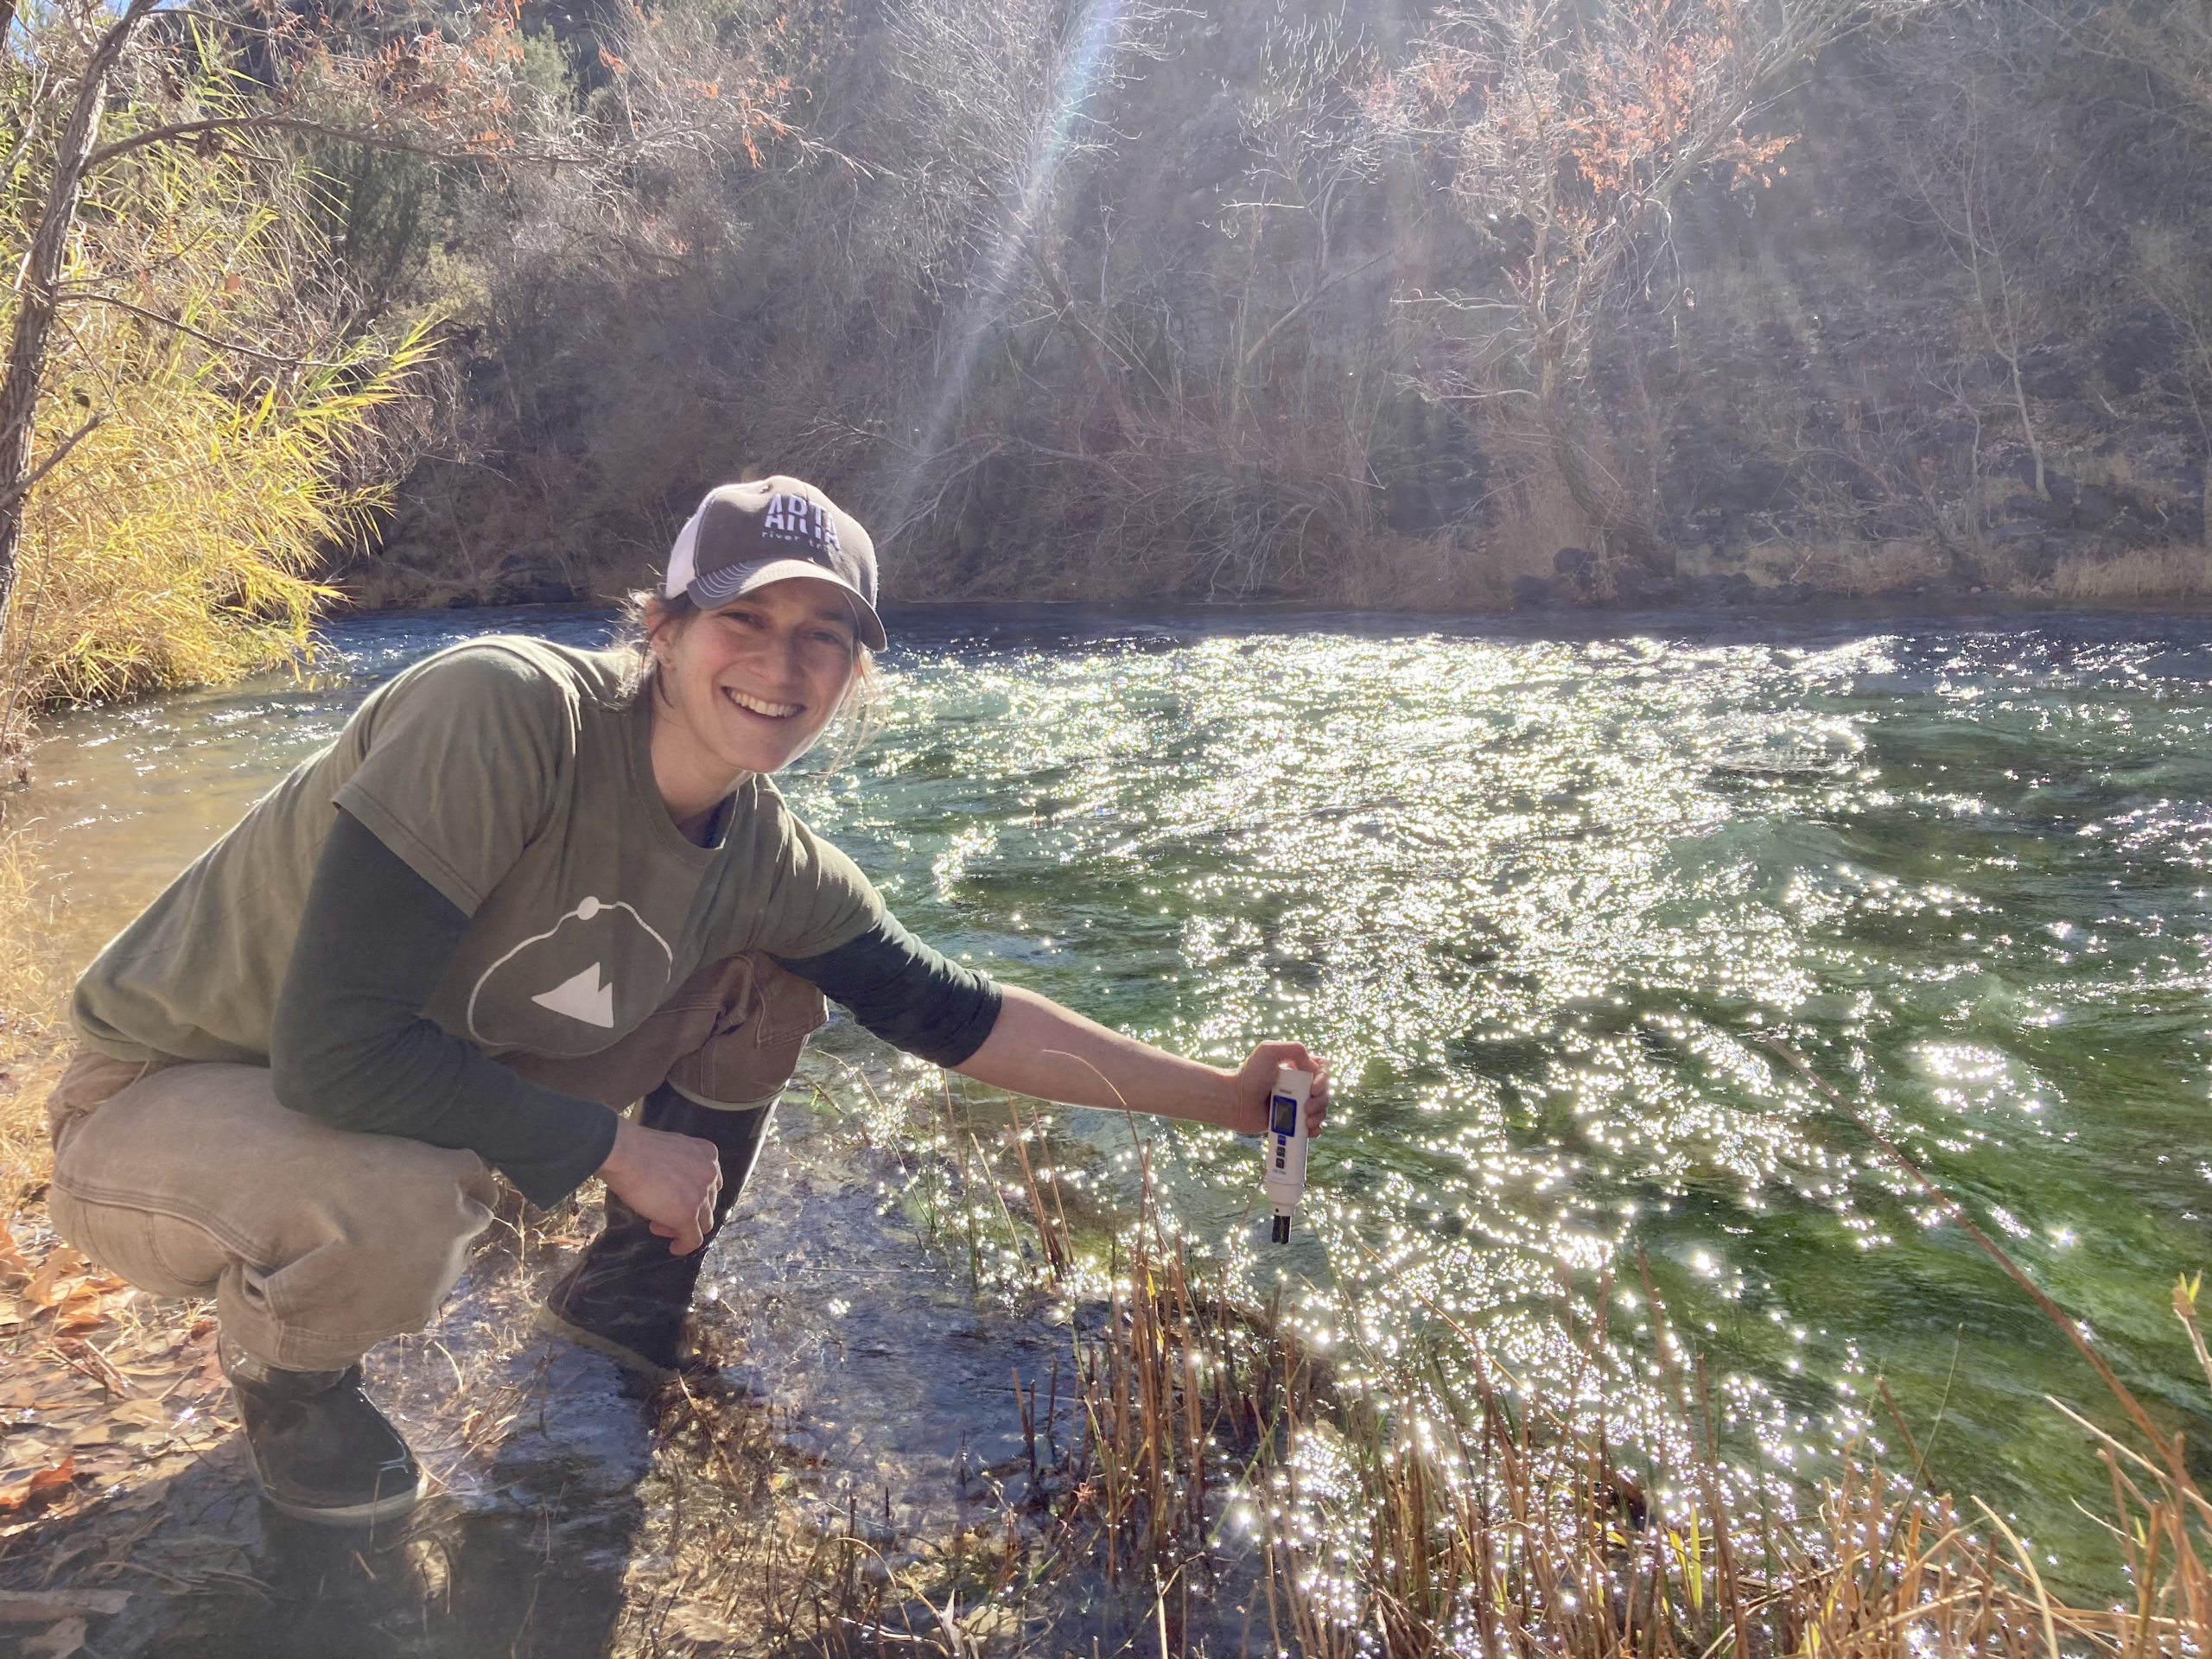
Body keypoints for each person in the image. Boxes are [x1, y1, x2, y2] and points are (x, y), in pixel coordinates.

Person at [46, 476, 1332, 1527]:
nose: (782, 667)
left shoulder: (772, 858)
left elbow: (957, 1015)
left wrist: (1221, 1099)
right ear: (659, 627)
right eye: (744, 622)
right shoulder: (502, 713)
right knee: (394, 1205)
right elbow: (332, 1053)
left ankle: (621, 1299)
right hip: (162, 1104)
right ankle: (293, 1375)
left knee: (769, 982)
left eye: (822, 637)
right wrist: (617, 1148)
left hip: (400, 1082)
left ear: (856, 675)